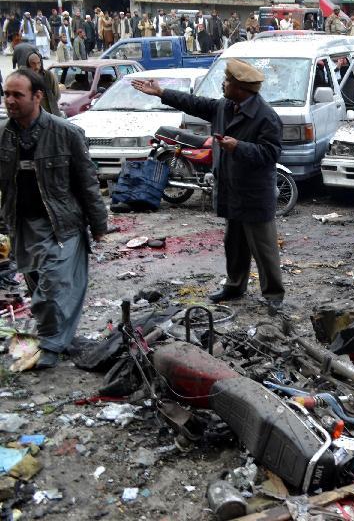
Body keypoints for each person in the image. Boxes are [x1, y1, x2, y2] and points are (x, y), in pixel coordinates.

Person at [131, 60, 286, 315]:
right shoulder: (225, 106)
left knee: (264, 248)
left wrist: (239, 147)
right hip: (231, 189)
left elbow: (271, 154)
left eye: (227, 81)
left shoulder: (266, 116)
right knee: (233, 244)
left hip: (254, 194)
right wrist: (161, 93)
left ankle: (273, 295)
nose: (223, 85)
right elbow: (195, 103)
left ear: (240, 88)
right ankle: (235, 286)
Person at [0, 69, 108, 369]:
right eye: (6, 93)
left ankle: (49, 344)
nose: (10, 100)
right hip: (22, 225)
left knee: (53, 286)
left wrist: (99, 225)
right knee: (37, 285)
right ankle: (59, 336)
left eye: (17, 94)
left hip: (62, 225)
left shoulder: (66, 133)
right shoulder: (3, 136)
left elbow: (87, 182)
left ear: (37, 96)